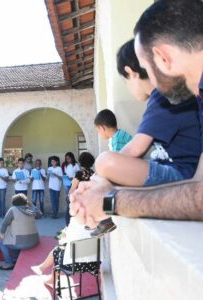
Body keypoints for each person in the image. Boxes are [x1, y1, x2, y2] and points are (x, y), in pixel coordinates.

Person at [70, 0, 203, 226]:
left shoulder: (166, 98)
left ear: (163, 58)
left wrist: (108, 200)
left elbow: (198, 197)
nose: (149, 77)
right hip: (181, 174)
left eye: (146, 66)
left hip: (178, 172)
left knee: (106, 161)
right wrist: (104, 192)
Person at [92, 39, 200, 237]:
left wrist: (98, 176)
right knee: (107, 169)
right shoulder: (168, 94)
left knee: (105, 161)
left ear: (131, 72)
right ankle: (102, 202)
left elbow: (135, 149)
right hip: (177, 170)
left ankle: (102, 204)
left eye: (125, 80)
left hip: (180, 175)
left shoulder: (162, 95)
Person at [31, 219, 97, 288]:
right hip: (93, 264)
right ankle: (43, 270)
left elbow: (59, 239)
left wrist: (62, 233)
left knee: (59, 250)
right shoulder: (99, 224)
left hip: (73, 265)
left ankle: (45, 272)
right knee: (62, 249)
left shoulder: (75, 222)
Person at [0, 193, 42, 270]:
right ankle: (15, 258)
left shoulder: (12, 210)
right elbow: (40, 215)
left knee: (2, 241)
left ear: (13, 202)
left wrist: (2, 234)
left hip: (19, 241)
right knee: (15, 237)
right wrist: (32, 205)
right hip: (34, 241)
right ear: (26, 201)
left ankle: (9, 263)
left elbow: (4, 224)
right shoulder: (31, 209)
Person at [61, 152, 80, 225]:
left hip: (74, 183)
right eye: (66, 158)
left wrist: (73, 177)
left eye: (69, 158)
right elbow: (65, 173)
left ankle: (74, 212)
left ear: (72, 158)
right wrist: (66, 176)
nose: (68, 160)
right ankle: (69, 211)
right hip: (66, 183)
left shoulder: (75, 165)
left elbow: (79, 174)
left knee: (74, 197)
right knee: (68, 198)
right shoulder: (65, 165)